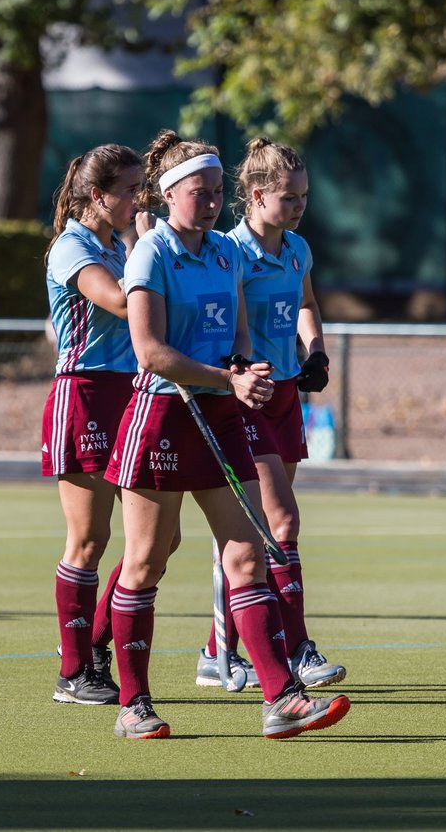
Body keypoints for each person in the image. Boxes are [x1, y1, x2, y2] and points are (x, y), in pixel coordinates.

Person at [103, 129, 351, 739]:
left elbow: (240, 330)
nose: (212, 201)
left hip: (218, 414)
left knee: (247, 552)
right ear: (167, 196)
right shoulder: (150, 255)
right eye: (199, 192)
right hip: (161, 416)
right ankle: (132, 703)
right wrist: (226, 377)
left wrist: (246, 369)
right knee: (145, 560)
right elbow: (152, 353)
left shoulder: (224, 252)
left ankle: (281, 697)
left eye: (216, 191)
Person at [194, 136, 346, 689]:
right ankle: (297, 648)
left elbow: (305, 302)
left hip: (285, 397)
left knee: (257, 530)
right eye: (289, 198)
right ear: (256, 196)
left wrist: (317, 351)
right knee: (279, 521)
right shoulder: (229, 252)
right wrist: (231, 371)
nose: (299, 206)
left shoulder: (298, 249)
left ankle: (217, 650)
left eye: (304, 196)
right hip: (247, 396)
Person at [41, 144, 145, 705]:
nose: (137, 199)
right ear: (97, 195)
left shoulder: (120, 246)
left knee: (159, 537)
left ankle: (95, 641)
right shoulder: (73, 246)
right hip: (83, 393)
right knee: (90, 537)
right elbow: (122, 302)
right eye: (128, 190)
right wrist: (151, 250)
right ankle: (74, 672)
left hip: (131, 393)